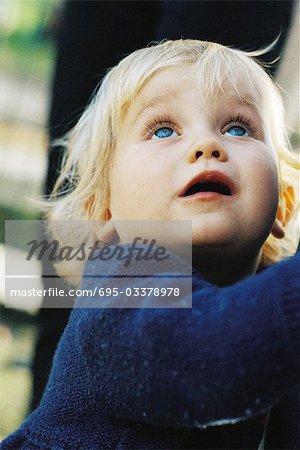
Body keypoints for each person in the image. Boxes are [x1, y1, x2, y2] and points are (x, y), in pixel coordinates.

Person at [3, 39, 299, 449]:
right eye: (163, 130)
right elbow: (207, 360)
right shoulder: (122, 285)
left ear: (283, 207)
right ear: (105, 212)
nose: (207, 146)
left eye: (238, 127)